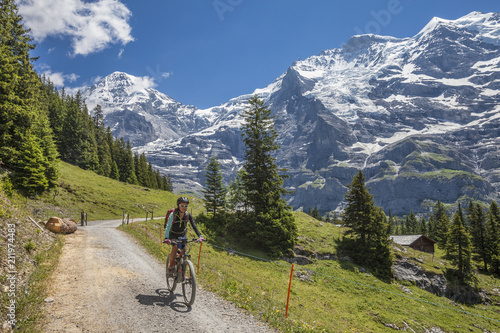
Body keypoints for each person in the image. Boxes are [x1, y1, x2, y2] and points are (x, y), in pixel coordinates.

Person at [163, 197, 204, 273]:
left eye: (186, 206)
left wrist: (200, 236)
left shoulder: (187, 215)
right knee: (175, 247)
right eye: (182, 205)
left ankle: (182, 272)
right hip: (173, 234)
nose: (184, 207)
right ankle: (171, 267)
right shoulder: (173, 214)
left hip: (182, 234)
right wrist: (166, 238)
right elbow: (168, 226)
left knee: (185, 251)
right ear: (178, 205)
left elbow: (194, 225)